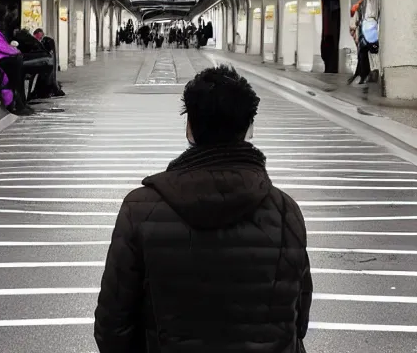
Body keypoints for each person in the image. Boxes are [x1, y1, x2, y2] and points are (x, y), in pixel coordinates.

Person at [95, 65, 312, 353]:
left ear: (189, 129)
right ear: (249, 129)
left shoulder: (140, 209)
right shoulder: (286, 212)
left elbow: (113, 327)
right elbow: (298, 321)